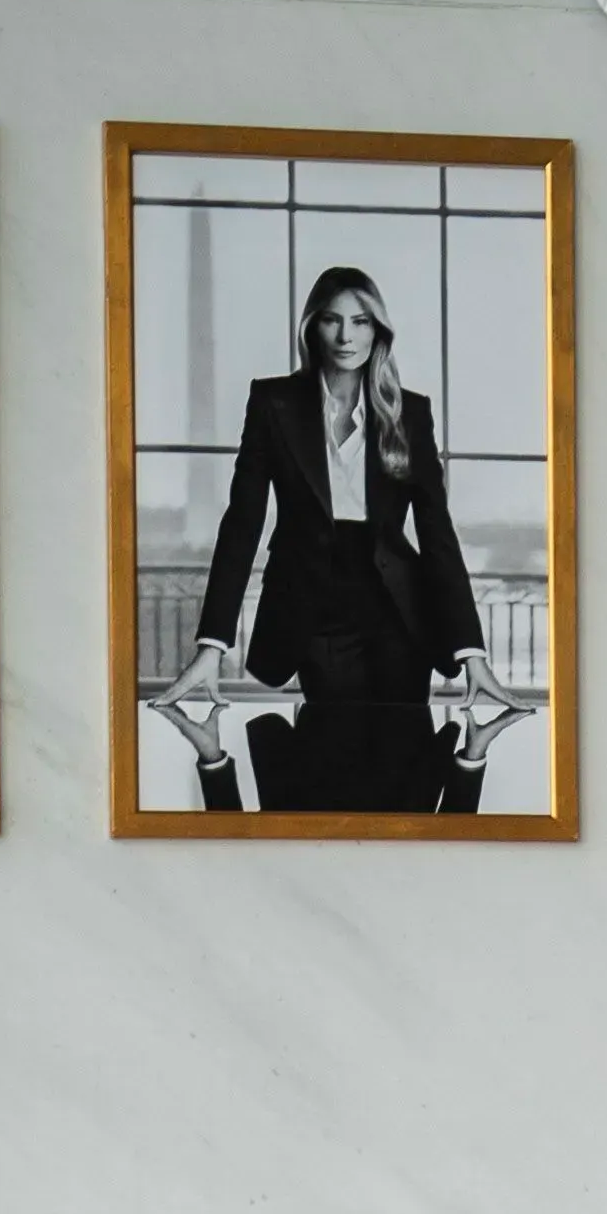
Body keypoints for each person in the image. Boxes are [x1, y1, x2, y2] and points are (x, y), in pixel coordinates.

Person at [162, 264, 513, 816]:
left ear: (378, 331)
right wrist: (213, 645)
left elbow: (437, 535)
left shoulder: (409, 412)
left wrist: (473, 656)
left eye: (360, 321)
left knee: (405, 766)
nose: (347, 336)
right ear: (312, 329)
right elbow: (242, 523)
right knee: (326, 763)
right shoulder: (274, 403)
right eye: (332, 321)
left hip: (400, 611)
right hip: (314, 603)